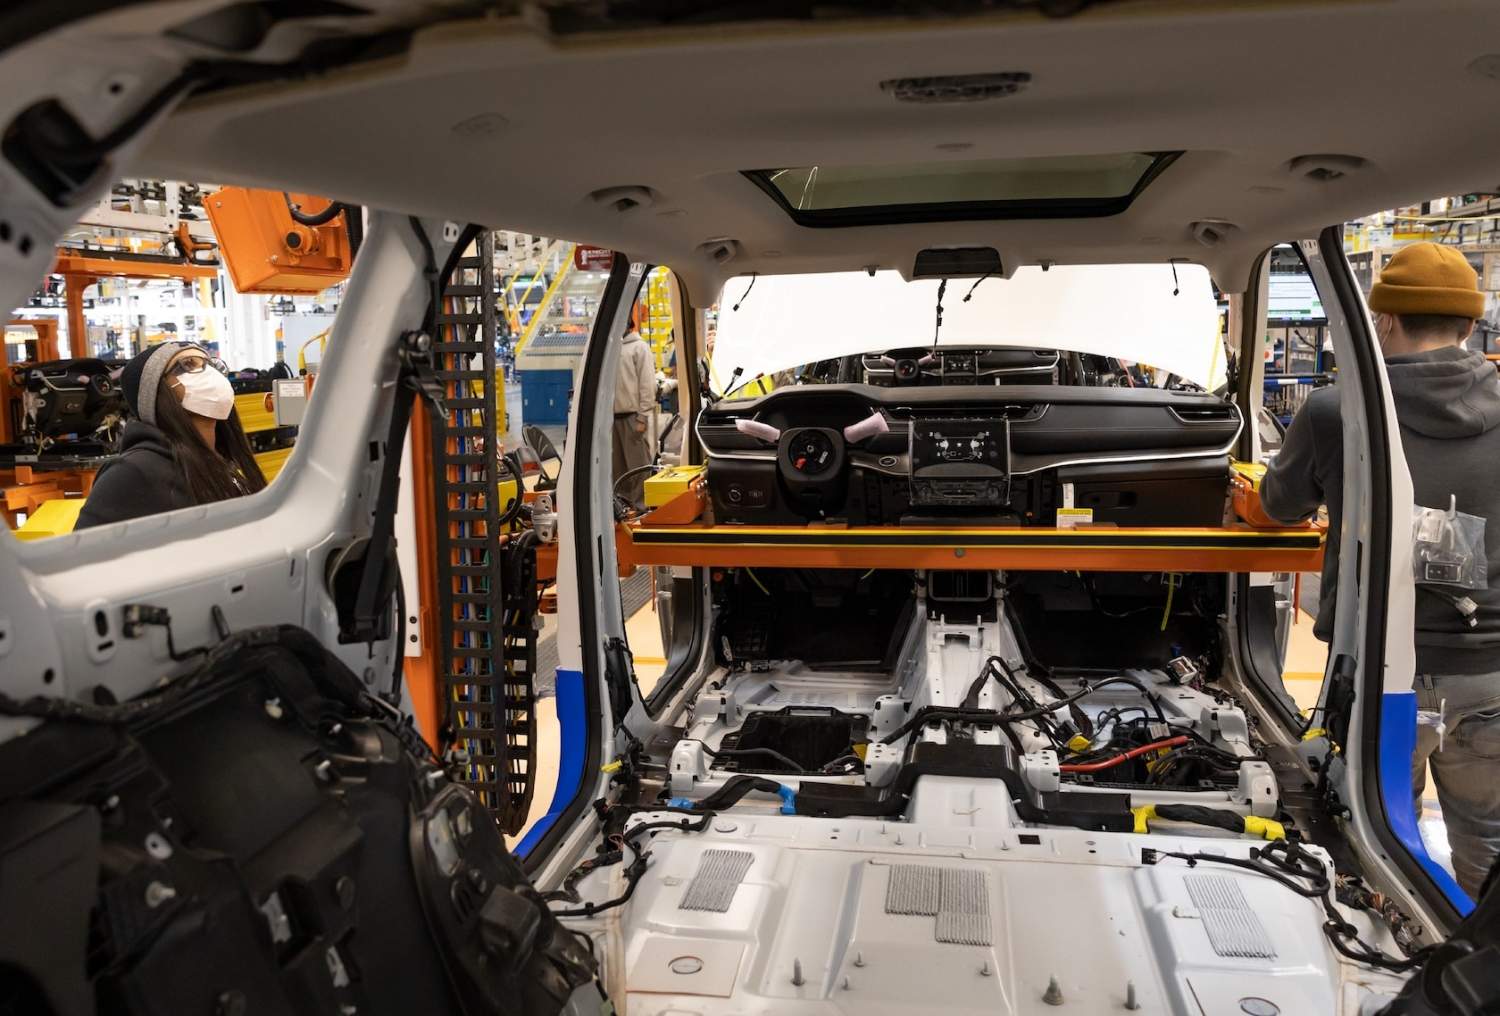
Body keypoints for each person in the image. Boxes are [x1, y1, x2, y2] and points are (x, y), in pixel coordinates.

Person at [1261, 242, 1500, 897]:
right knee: (1489, 847)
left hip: (1380, 671)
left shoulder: (1337, 410)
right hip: (1489, 671)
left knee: (1375, 836)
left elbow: (1279, 507)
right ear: (1470, 324)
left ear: (1385, 321)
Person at [77, 341, 267, 528]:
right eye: (189, 364)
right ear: (155, 391)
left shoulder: (220, 462)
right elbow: (88, 545)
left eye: (211, 364)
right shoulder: (132, 471)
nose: (210, 373)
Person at [611, 321, 656, 507]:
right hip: (612, 418)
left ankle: (642, 506)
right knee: (618, 468)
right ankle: (623, 505)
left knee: (638, 466)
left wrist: (643, 416)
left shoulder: (639, 348)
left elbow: (647, 384)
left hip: (632, 417)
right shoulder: (612, 349)